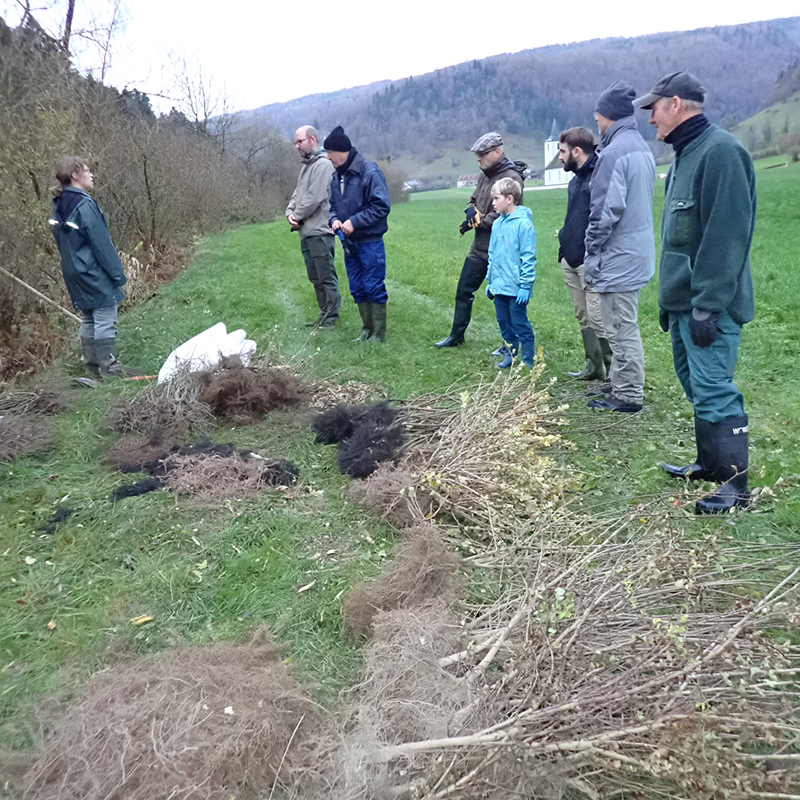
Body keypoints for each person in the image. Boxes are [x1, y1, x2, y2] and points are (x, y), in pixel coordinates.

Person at [635, 72, 756, 514]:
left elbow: (726, 237)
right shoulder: (686, 155)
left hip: (709, 307)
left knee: (714, 388)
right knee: (696, 385)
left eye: (654, 109)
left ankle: (735, 487)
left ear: (677, 104)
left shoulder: (721, 153)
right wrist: (673, 302)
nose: (650, 119)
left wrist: (708, 303)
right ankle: (709, 464)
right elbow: (682, 238)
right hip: (684, 305)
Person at [584, 81, 656, 413]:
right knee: (622, 323)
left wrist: (592, 250)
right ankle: (620, 384)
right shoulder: (640, 147)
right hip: (636, 253)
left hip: (619, 257)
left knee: (620, 326)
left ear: (607, 116)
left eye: (598, 116)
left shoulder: (614, 153)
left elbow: (603, 212)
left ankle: (627, 395)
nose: (596, 122)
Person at [435, 132, 527, 348]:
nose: (479, 159)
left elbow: (504, 215)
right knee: (463, 290)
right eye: (477, 154)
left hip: (504, 250)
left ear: (498, 152)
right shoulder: (484, 174)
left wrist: (479, 220)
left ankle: (510, 345)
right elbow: (474, 199)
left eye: (483, 154)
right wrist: (470, 211)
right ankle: (456, 337)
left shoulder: (511, 178)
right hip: (480, 248)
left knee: (505, 299)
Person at [48, 156, 131, 377]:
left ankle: (91, 368)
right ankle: (109, 368)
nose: (92, 175)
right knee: (105, 316)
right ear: (75, 175)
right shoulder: (84, 205)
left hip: (73, 271)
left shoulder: (60, 205)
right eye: (87, 170)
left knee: (88, 317)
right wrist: (117, 275)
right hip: (93, 271)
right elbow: (101, 244)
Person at [324, 125, 391, 343]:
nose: (328, 157)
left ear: (342, 151)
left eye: (330, 153)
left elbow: (381, 206)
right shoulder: (336, 177)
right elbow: (332, 205)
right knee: (357, 287)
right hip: (349, 243)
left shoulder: (370, 172)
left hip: (370, 241)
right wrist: (333, 220)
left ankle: (378, 334)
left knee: (373, 285)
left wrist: (355, 221)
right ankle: (366, 329)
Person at [556, 126, 611, 382]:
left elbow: (603, 220)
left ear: (577, 151)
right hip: (570, 258)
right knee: (583, 316)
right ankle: (593, 366)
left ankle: (615, 375)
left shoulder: (599, 177)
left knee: (599, 319)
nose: (559, 156)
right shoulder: (575, 180)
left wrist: (593, 254)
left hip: (590, 261)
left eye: (562, 151)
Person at [286, 125, 341, 329]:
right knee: (315, 277)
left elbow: (314, 197)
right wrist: (289, 214)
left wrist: (297, 216)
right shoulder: (306, 167)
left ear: (312, 139)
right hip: (306, 233)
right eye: (296, 142)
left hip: (320, 231)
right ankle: (324, 314)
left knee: (326, 277)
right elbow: (297, 195)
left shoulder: (324, 165)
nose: (297, 146)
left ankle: (331, 318)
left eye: (299, 141)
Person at [485, 177, 537, 369]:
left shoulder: (523, 225)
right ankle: (511, 354)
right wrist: (490, 281)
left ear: (509, 198)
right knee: (504, 323)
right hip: (500, 286)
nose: (493, 203)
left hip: (516, 288)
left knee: (519, 322)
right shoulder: (497, 224)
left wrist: (525, 285)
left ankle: (528, 360)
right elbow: (493, 255)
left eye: (496, 198)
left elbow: (528, 257)